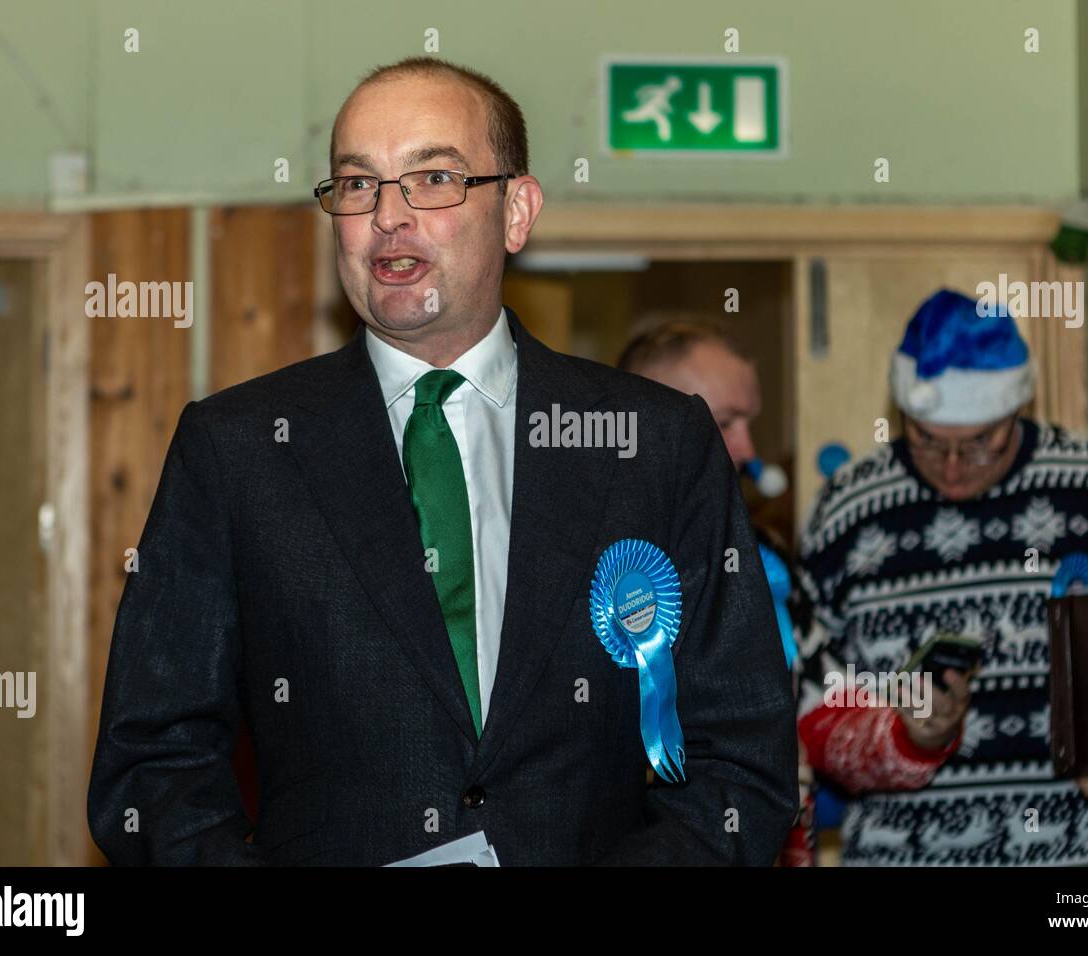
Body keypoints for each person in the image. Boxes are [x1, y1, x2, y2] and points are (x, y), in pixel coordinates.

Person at [87, 56, 797, 866]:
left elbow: (741, 756)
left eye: (432, 178)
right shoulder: (239, 448)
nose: (388, 216)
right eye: (357, 186)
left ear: (517, 212)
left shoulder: (655, 442)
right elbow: (150, 767)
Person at [796, 288, 1088, 865]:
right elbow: (809, 697)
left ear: (1018, 409)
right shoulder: (845, 512)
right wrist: (903, 736)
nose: (952, 470)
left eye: (980, 444)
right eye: (926, 440)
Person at [619, 320, 817, 866]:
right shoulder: (588, 561)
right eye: (726, 423)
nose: (750, 450)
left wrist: (915, 735)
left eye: (750, 422)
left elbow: (828, 699)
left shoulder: (769, 555)